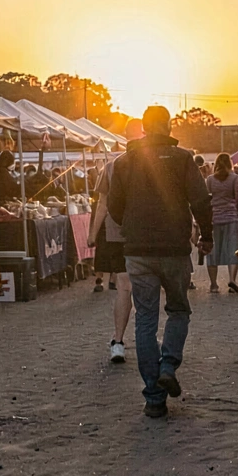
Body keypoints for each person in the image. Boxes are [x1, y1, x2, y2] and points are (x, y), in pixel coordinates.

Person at [107, 106, 213, 419]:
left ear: (143, 128)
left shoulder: (124, 162)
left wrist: (132, 224)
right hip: (175, 249)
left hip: (138, 251)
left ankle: (154, 396)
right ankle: (168, 364)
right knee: (179, 309)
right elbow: (201, 201)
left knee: (145, 319)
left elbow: (114, 206)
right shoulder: (182, 159)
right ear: (167, 126)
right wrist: (205, 236)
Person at [87, 154, 135, 364]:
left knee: (124, 286)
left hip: (117, 233)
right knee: (147, 285)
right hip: (148, 233)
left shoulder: (110, 167)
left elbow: (102, 204)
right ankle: (148, 339)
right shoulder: (154, 163)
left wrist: (92, 234)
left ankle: (118, 342)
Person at [204, 153, 238, 293]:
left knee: (212, 252)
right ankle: (232, 279)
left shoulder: (209, 180)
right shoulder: (235, 179)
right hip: (232, 217)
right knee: (233, 249)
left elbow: (206, 199)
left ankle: (213, 284)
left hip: (214, 218)